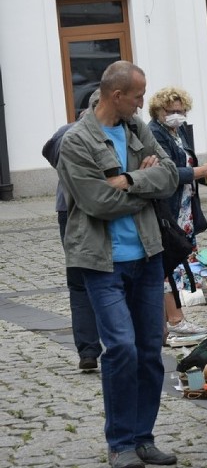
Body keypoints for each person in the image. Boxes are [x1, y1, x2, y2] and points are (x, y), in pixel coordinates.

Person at [57, 61, 179, 468]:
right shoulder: (76, 141)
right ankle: (121, 444)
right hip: (102, 261)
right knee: (122, 349)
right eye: (138, 96)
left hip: (147, 255)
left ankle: (143, 438)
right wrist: (146, 185)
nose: (143, 103)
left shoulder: (136, 129)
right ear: (116, 96)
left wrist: (129, 181)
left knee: (149, 350)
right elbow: (96, 203)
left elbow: (169, 177)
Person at [148, 86, 207, 339]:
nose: (177, 115)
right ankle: (175, 320)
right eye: (171, 111)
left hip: (185, 208)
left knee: (178, 263)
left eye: (181, 111)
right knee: (170, 265)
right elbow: (167, 174)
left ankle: (169, 323)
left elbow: (189, 166)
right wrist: (200, 173)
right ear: (158, 110)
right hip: (169, 210)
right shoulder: (155, 134)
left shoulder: (178, 132)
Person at [42, 90, 102, 371]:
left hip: (66, 208)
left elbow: (49, 151)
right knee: (96, 279)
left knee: (79, 282)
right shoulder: (101, 134)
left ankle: (88, 351)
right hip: (85, 210)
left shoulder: (65, 132)